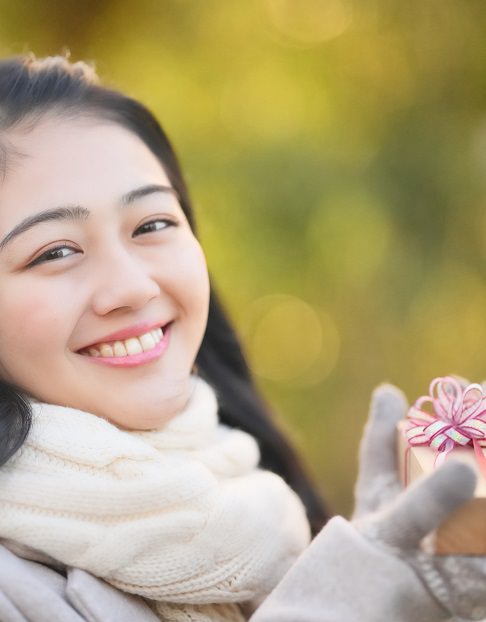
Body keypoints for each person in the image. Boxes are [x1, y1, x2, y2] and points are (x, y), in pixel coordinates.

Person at [0, 53, 484, 622]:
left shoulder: (257, 505)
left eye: (152, 225)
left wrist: (421, 585)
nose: (132, 287)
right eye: (55, 251)